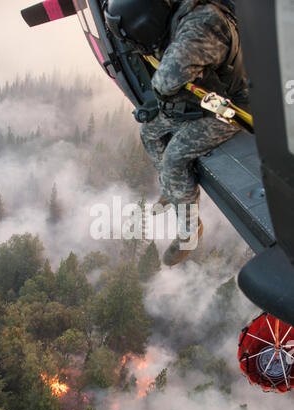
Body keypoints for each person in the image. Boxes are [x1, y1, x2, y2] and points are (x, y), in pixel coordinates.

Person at [104, 0, 250, 266]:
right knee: (149, 132)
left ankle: (189, 230)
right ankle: (173, 190)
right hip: (208, 97)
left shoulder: (202, 25)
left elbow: (167, 80)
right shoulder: (178, 13)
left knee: (174, 158)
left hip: (234, 108)